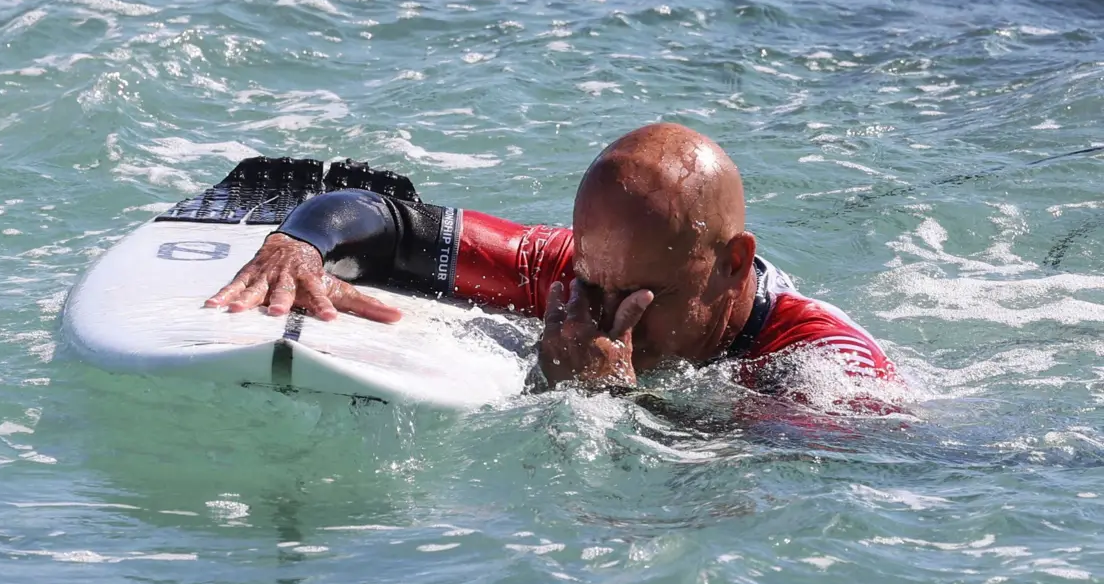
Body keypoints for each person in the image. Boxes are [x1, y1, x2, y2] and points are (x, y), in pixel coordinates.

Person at [205, 123, 900, 411]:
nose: (602, 311)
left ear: (732, 263)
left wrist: (614, 407)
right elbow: (380, 217)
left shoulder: (825, 373)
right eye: (595, 283)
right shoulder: (580, 274)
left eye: (638, 295)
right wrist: (301, 247)